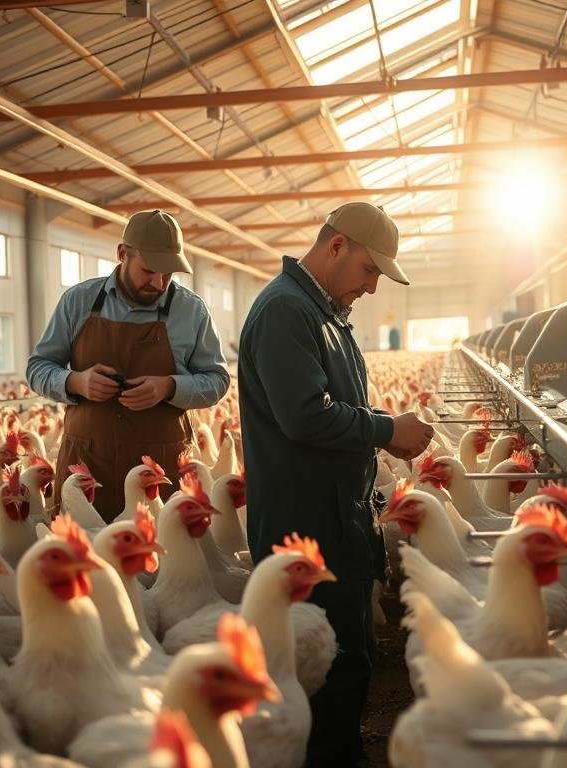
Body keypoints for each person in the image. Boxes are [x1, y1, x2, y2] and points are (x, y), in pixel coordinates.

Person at [237, 202, 434, 767]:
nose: (372, 287)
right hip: (306, 525)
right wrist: (384, 428)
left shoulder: (324, 312)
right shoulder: (285, 311)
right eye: (370, 270)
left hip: (335, 514)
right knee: (323, 672)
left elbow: (334, 407)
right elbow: (304, 415)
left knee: (349, 659)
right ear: (337, 245)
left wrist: (381, 431)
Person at [26, 209, 230, 521]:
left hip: (159, 469)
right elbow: (38, 368)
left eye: (169, 274)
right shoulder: (77, 301)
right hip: (87, 462)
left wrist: (169, 386)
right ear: (122, 254)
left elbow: (217, 380)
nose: (159, 283)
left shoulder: (191, 311)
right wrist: (75, 382)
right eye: (149, 270)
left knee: (161, 556)